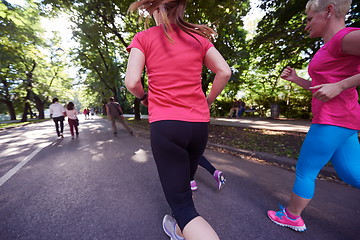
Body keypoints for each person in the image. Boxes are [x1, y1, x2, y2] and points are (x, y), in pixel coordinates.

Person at [125, 1, 231, 239]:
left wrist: (145, 97)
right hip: (198, 127)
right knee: (185, 181)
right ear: (181, 9)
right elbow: (224, 71)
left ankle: (186, 225)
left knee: (184, 208)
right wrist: (208, 101)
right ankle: (182, 230)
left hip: (167, 125)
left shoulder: (143, 38)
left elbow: (132, 82)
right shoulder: (198, 39)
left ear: (152, 9)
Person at [267, 0, 360, 232]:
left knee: (305, 170)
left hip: (333, 120)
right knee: (352, 174)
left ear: (328, 11)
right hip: (344, 120)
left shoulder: (344, 38)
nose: (306, 25)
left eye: (309, 18)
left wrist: (340, 86)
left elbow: (333, 87)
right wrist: (297, 80)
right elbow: (321, 87)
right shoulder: (329, 46)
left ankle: (292, 216)